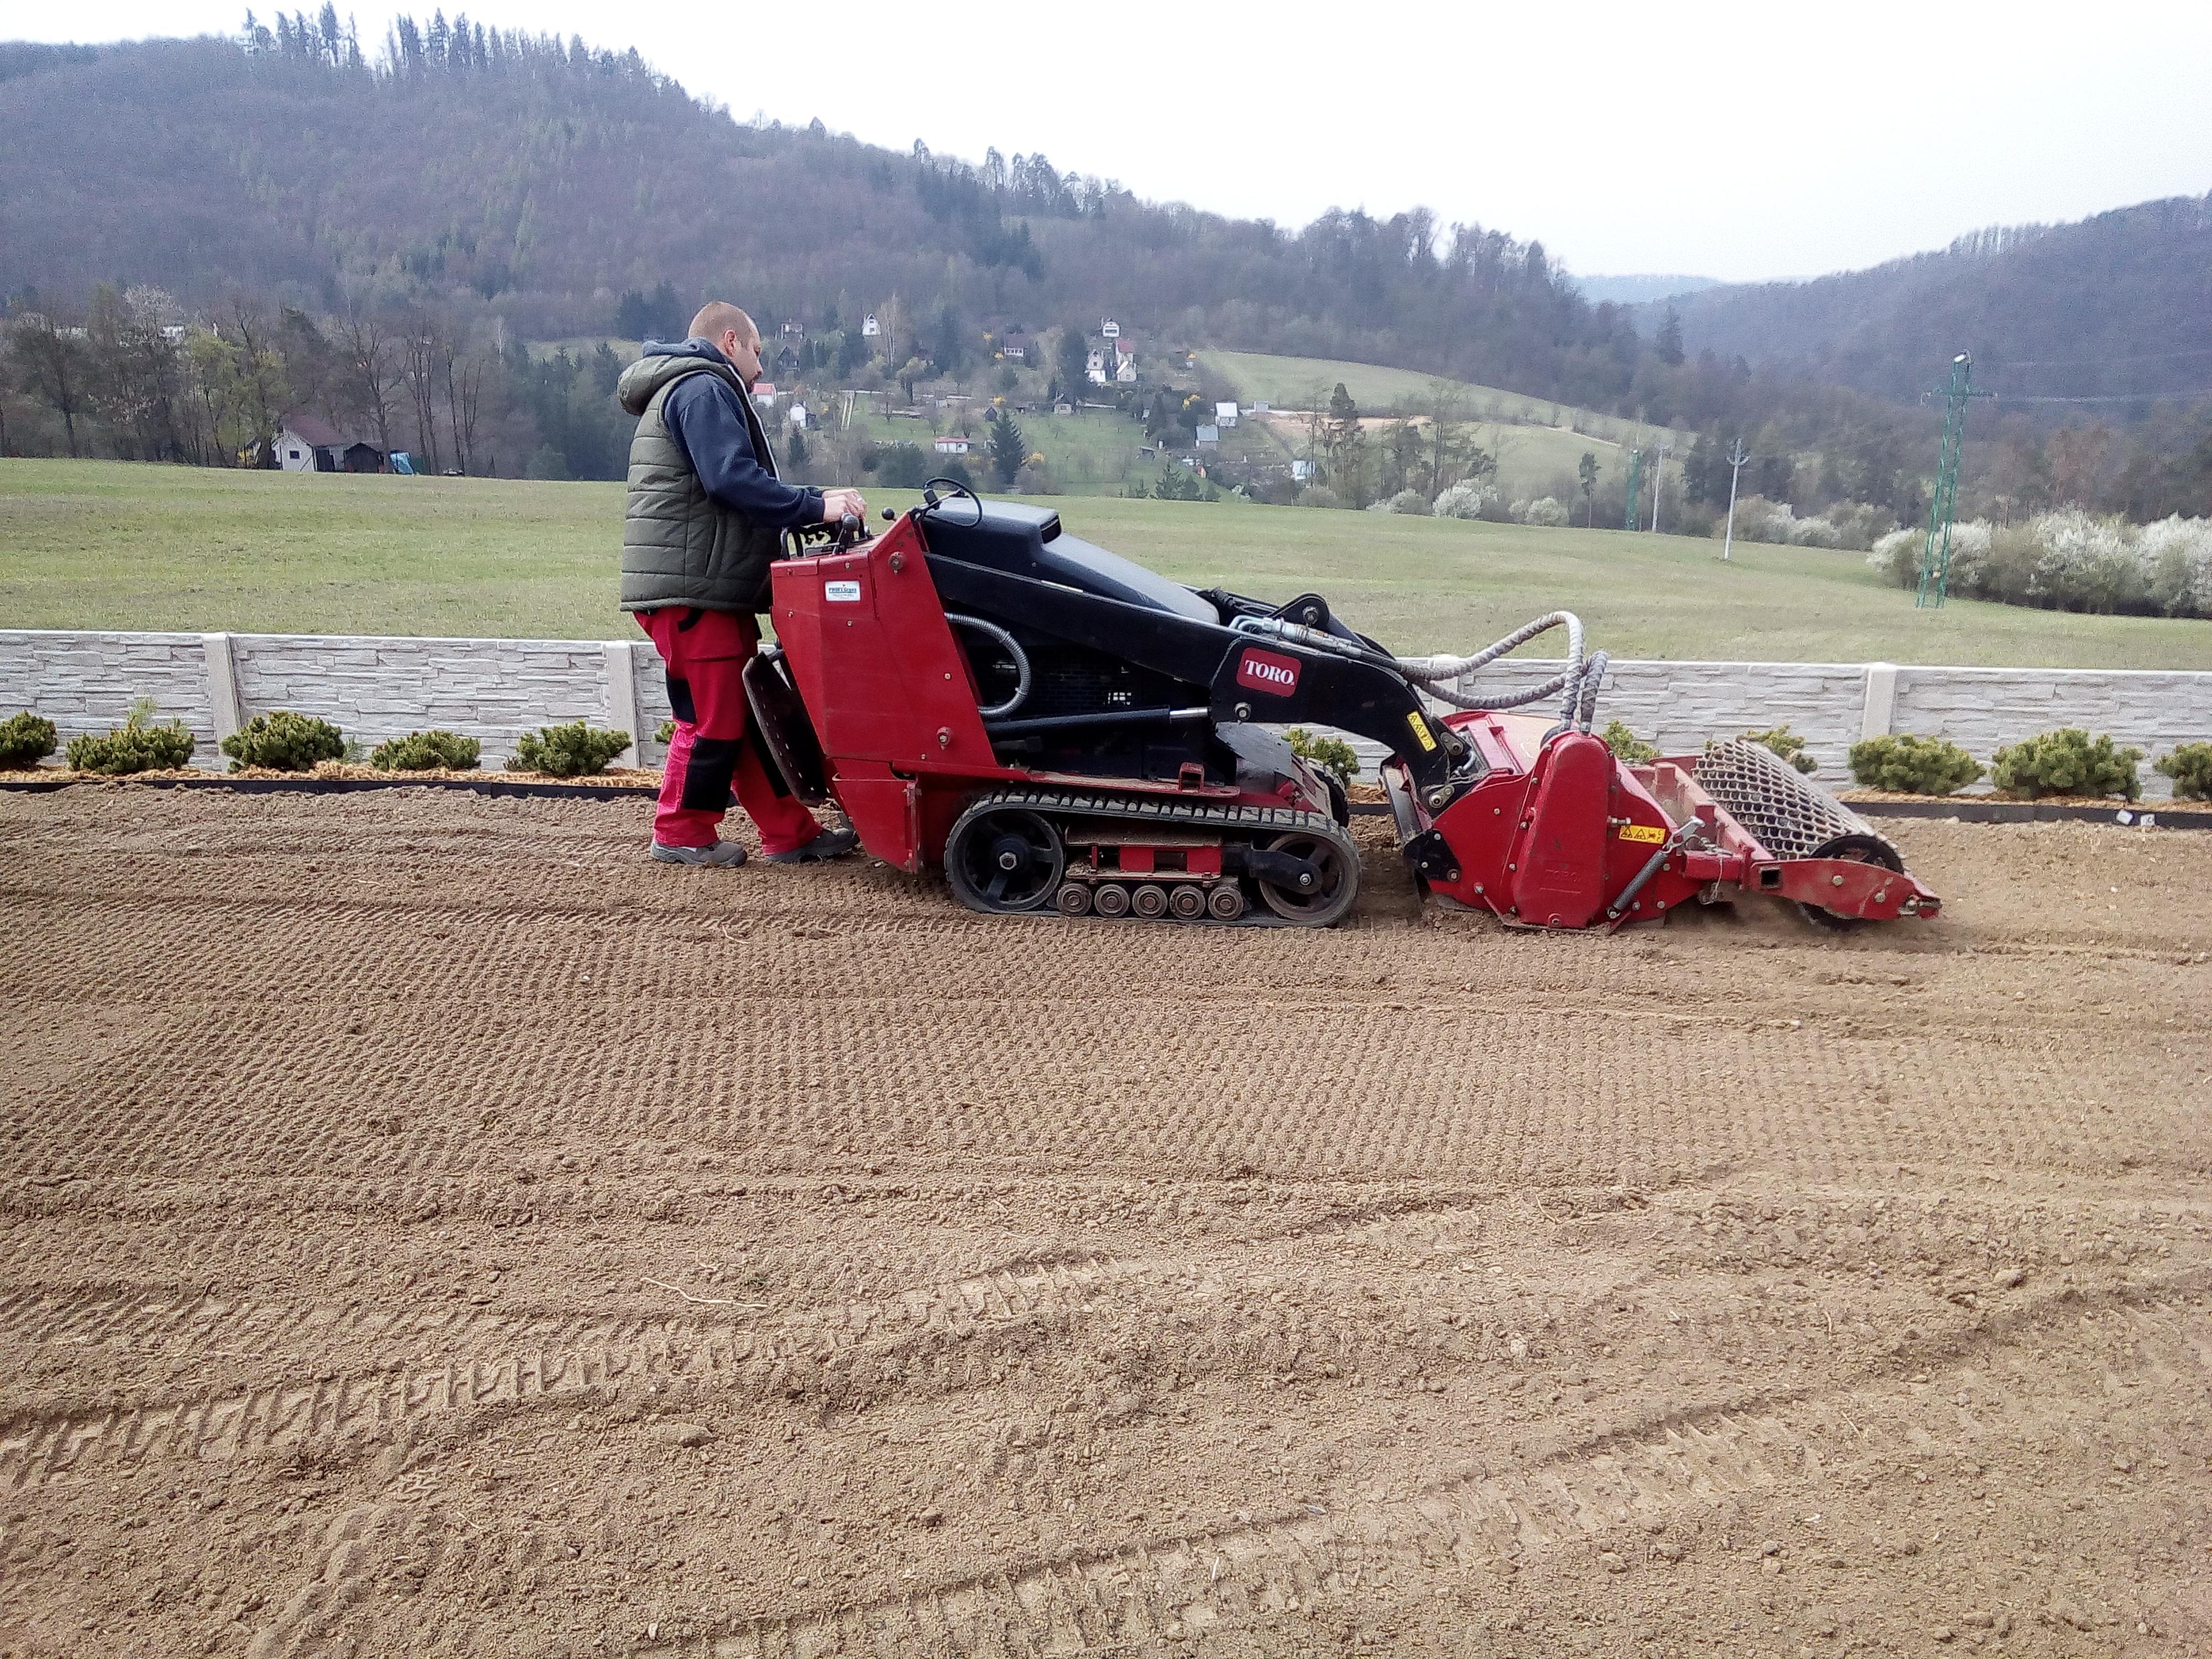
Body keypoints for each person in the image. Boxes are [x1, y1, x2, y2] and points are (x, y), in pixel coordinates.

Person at [617, 301, 865, 867]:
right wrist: (814, 506)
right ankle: (681, 830)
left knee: (741, 717)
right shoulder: (702, 389)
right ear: (731, 341)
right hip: (693, 590)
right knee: (714, 721)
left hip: (701, 586)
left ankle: (789, 833)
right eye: (757, 351)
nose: (759, 368)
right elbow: (730, 478)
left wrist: (808, 504)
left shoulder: (690, 388)